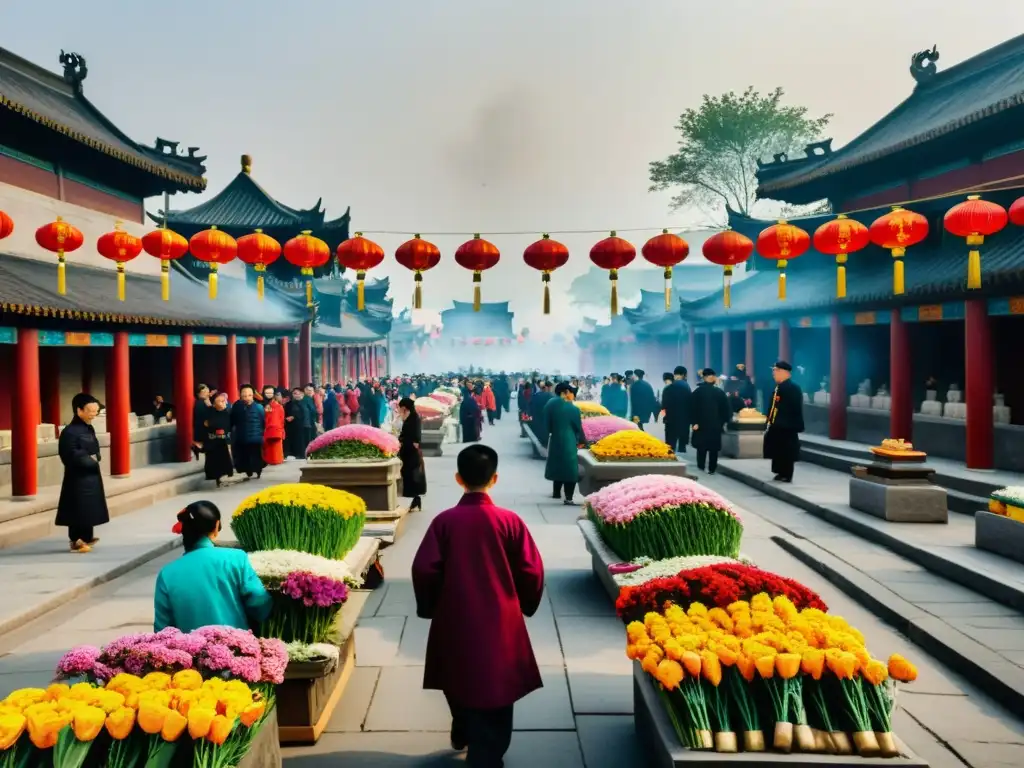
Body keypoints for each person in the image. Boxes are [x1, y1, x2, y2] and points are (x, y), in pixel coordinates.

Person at [411, 445, 545, 767]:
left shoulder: (444, 523)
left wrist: (430, 606)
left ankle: (464, 726)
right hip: (501, 618)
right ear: (494, 479)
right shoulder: (509, 522)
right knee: (498, 685)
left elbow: (424, 569)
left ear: (458, 479)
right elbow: (532, 570)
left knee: (458, 676)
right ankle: (487, 754)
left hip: (454, 616)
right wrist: (525, 602)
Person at [154, 501, 273, 632]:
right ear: (216, 526)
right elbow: (259, 600)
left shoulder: (167, 573)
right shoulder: (236, 558)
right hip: (237, 647)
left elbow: (162, 630)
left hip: (189, 651)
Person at [56, 393, 109, 553]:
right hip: (77, 477)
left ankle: (87, 536)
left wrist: (95, 457)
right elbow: (69, 454)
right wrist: (89, 460)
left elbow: (95, 448)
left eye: (95, 410)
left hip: (91, 475)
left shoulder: (88, 428)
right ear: (79, 410)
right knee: (77, 507)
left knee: (89, 507)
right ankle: (75, 540)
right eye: (91, 410)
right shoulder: (70, 432)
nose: (94, 414)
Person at [543, 382, 585, 505]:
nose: (573, 395)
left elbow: (547, 424)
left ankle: (556, 493)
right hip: (569, 440)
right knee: (570, 469)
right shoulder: (573, 409)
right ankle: (569, 497)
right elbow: (578, 427)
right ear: (566, 392)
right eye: (572, 393)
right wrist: (583, 441)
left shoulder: (550, 404)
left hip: (555, 439)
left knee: (557, 465)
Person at [763, 360, 805, 483]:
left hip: (786, 426)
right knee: (777, 450)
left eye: (775, 371)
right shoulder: (779, 387)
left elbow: (793, 408)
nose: (773, 374)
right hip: (777, 424)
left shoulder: (792, 388)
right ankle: (779, 471)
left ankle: (786, 474)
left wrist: (784, 422)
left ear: (784, 372)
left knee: (786, 451)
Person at [689, 368, 731, 475]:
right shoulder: (720, 393)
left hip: (701, 425)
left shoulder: (697, 392)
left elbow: (691, 408)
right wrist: (723, 422)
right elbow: (726, 410)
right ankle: (712, 469)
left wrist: (694, 423)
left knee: (701, 448)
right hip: (715, 426)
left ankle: (701, 467)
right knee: (713, 449)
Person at [397, 397, 427, 512]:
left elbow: (416, 437)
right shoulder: (409, 417)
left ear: (404, 408)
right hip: (408, 450)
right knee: (409, 475)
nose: (399, 410)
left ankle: (416, 499)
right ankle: (415, 499)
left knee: (412, 475)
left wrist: (404, 441)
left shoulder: (414, 418)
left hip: (411, 452)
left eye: (400, 408)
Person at [231, 384, 265, 479]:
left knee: (256, 455)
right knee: (243, 455)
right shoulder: (237, 406)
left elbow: (263, 421)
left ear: (253, 395)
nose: (247, 398)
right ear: (240, 395)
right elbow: (233, 420)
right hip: (241, 435)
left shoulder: (259, 407)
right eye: (244, 395)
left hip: (256, 436)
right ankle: (247, 471)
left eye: (249, 395)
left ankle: (258, 471)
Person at [203, 391, 234, 485]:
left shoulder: (228, 412)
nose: (223, 403)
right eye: (219, 401)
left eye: (223, 401)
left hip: (224, 440)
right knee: (213, 460)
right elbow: (206, 425)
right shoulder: (209, 413)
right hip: (212, 440)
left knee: (224, 459)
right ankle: (214, 476)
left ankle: (224, 475)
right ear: (214, 404)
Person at [661, 366, 692, 453]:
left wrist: (665, 417)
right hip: (684, 420)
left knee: (670, 447)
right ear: (684, 375)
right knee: (682, 447)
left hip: (670, 420)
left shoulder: (668, 388)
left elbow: (664, 406)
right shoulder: (687, 387)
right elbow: (691, 404)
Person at [262, 386, 286, 466]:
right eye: (267, 393)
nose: (268, 395)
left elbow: (280, 420)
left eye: (270, 393)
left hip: (273, 430)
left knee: (274, 452)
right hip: (271, 430)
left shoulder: (277, 406)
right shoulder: (265, 405)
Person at [285, 387, 310, 458]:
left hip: (304, 425)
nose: (296, 395)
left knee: (303, 441)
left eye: (298, 393)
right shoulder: (289, 404)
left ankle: (303, 454)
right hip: (292, 426)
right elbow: (286, 414)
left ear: (302, 394)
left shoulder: (306, 402)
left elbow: (308, 413)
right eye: (294, 393)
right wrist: (288, 418)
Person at [191, 384, 212, 461]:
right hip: (203, 427)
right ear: (198, 393)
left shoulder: (199, 403)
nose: (207, 393)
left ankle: (197, 448)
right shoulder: (201, 403)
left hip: (199, 427)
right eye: (205, 391)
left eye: (207, 391)